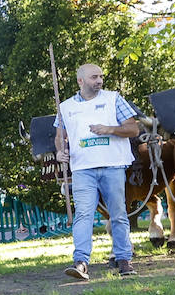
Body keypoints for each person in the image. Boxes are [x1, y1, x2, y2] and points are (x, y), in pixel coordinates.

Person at [54, 63, 141, 281]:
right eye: (94, 77)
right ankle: (81, 262)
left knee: (118, 214)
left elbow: (133, 129)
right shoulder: (65, 107)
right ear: (80, 81)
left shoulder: (113, 99)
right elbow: (60, 135)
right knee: (83, 214)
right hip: (82, 168)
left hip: (112, 165)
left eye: (101, 76)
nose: (99, 80)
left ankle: (124, 259)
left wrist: (109, 129)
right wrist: (60, 152)